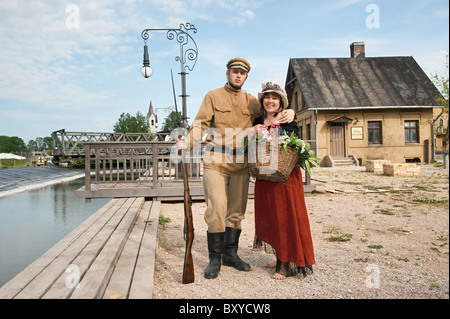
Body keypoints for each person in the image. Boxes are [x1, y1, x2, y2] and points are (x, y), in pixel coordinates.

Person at [177, 59, 295, 279]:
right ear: (228, 73)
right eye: (235, 72)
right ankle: (214, 259)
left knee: (236, 212)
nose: (238, 76)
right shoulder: (213, 96)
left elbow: (270, 113)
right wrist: (188, 142)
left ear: (246, 77)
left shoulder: (252, 101)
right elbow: (200, 124)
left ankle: (230, 254)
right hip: (216, 160)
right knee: (217, 210)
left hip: (241, 163)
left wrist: (291, 112)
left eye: (242, 73)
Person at [252, 81, 315, 280]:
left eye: (275, 98)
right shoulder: (257, 119)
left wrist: (284, 118)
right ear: (262, 101)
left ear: (282, 102)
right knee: (271, 216)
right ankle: (280, 255)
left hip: (284, 176)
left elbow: (288, 146)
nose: (270, 101)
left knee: (285, 217)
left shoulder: (288, 119)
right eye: (267, 98)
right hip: (265, 176)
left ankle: (285, 264)